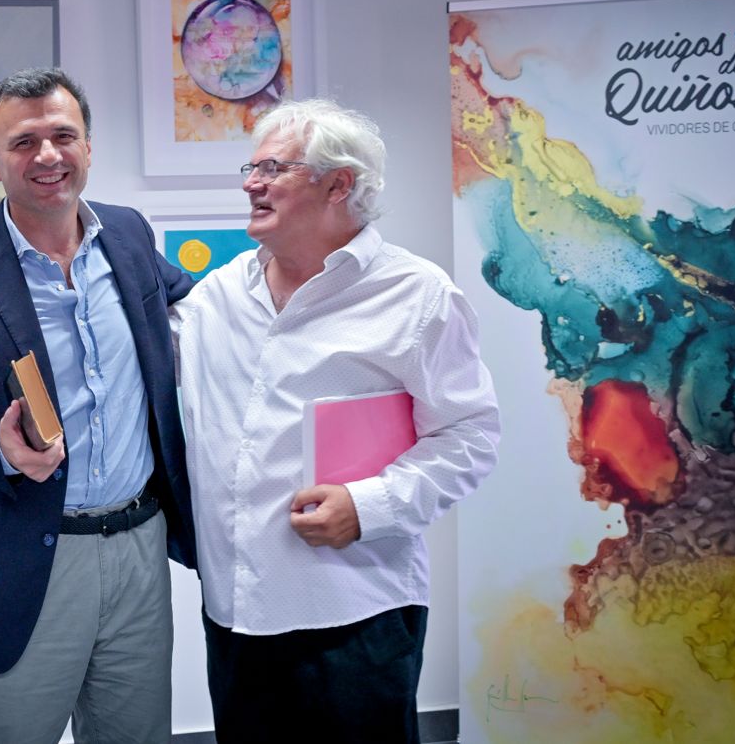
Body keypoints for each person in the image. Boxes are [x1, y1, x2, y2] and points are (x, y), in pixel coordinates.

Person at [0, 67, 196, 743]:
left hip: (139, 549)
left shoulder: (129, 236)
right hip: (17, 561)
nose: (48, 155)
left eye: (63, 135)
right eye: (24, 142)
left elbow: (198, 309)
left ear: (88, 145)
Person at [173, 99, 500, 741]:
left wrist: (369, 505)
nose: (251, 183)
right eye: (251, 167)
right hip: (236, 618)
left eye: (273, 168)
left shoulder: (417, 295)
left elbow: (470, 436)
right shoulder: (218, 296)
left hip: (357, 615)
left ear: (338, 184)